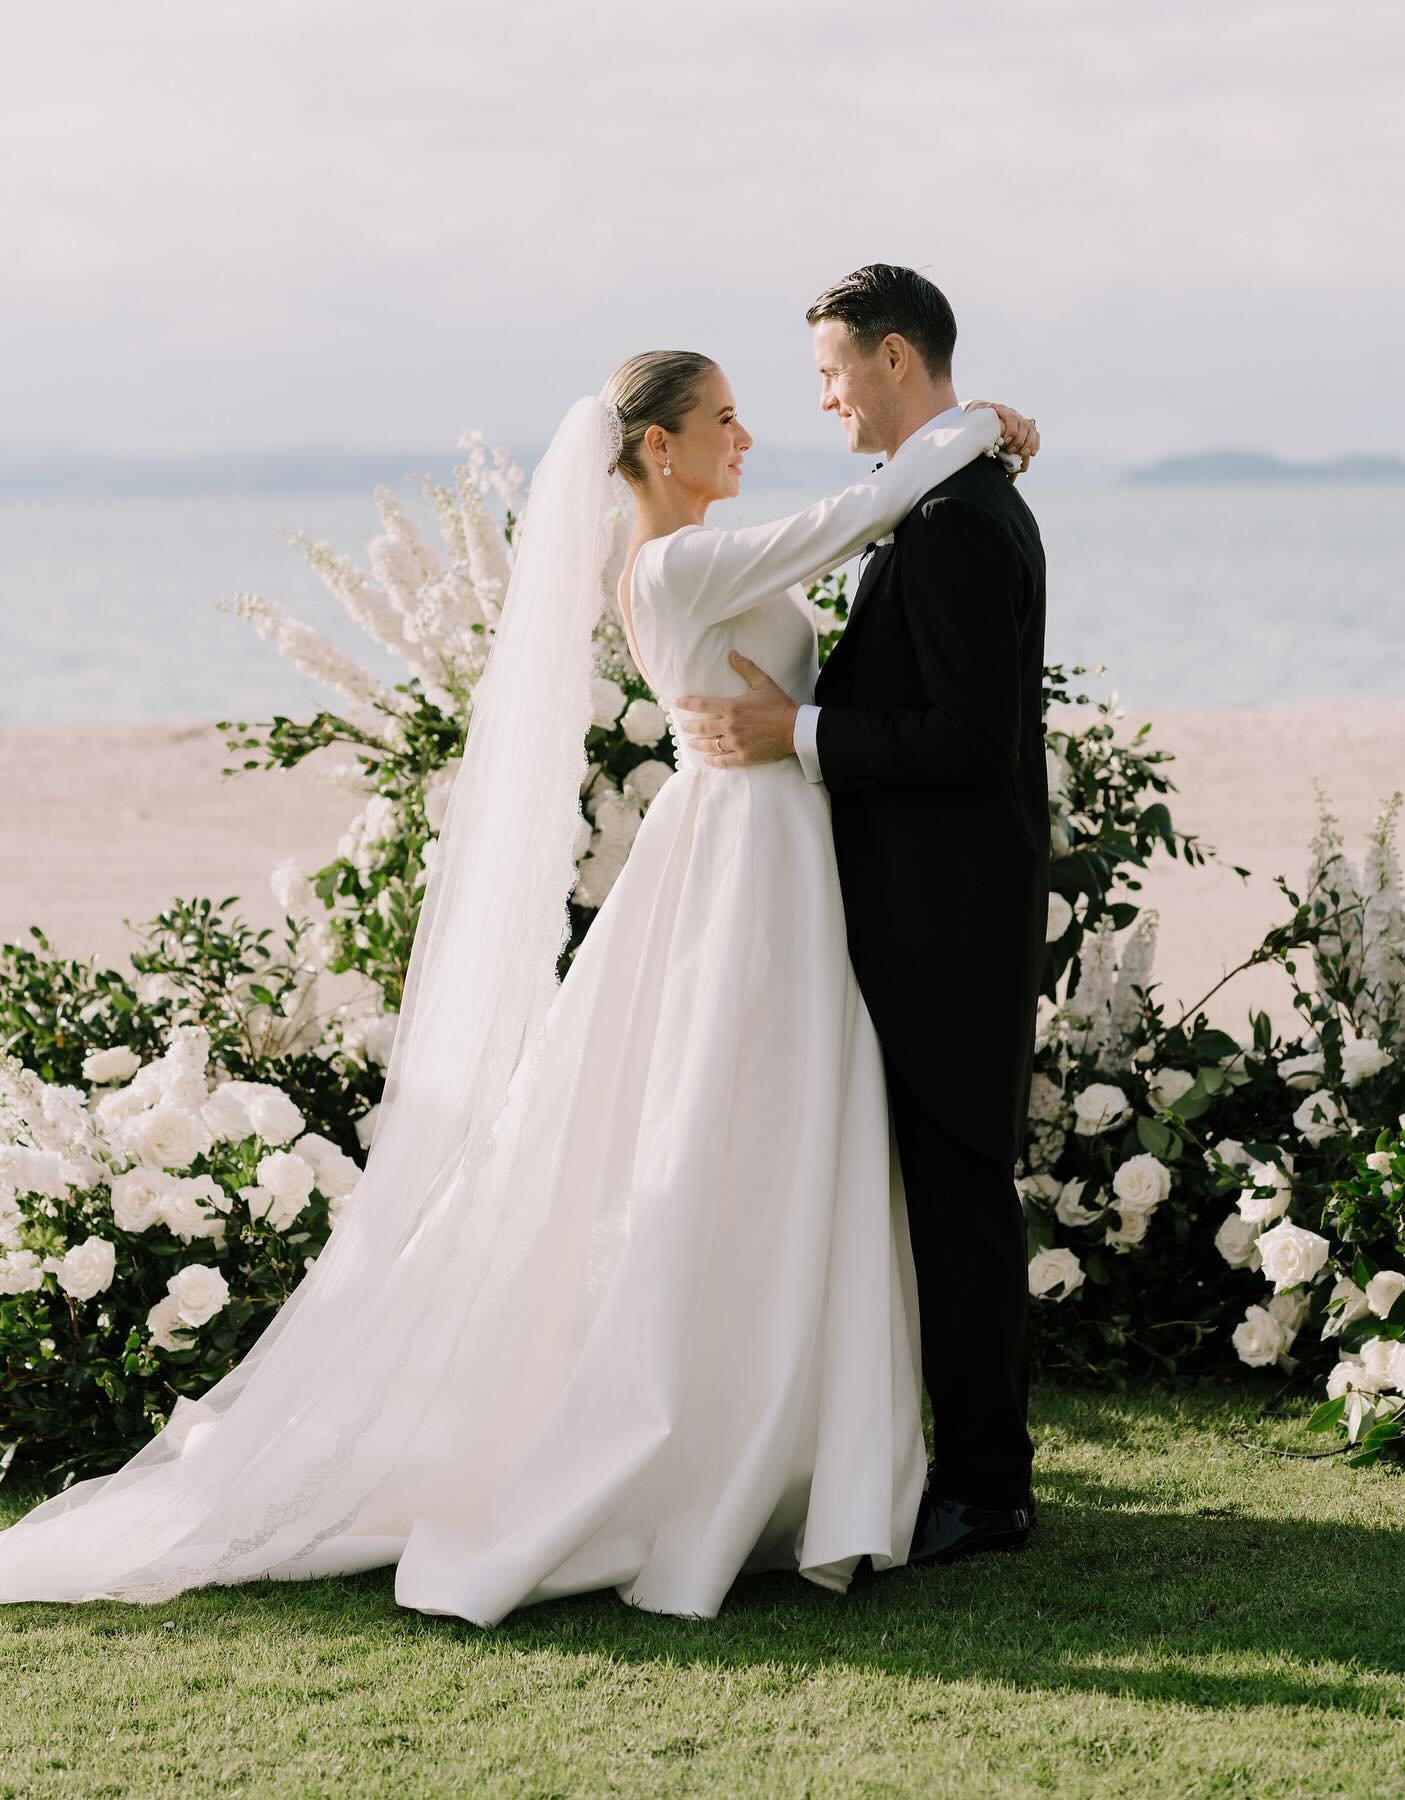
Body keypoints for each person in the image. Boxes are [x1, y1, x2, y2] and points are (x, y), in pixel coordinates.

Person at [0, 340, 1038, 1622]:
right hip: (743, 860)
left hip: (774, 851)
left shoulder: (692, 553)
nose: (748, 435)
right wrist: (978, 424)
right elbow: (854, 514)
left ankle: (799, 1441)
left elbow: (845, 534)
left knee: (781, 1134)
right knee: (732, 1130)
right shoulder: (674, 564)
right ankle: (720, 1440)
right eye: (723, 417)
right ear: (657, 446)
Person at [675, 265, 1049, 1560]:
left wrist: (803, 730)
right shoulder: (949, 499)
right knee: (942, 1197)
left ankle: (988, 1485)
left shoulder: (952, 525)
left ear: (897, 358)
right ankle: (953, 1461)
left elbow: (971, 739)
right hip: (926, 911)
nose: (824, 396)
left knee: (957, 1197)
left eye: (835, 370)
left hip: (948, 921)